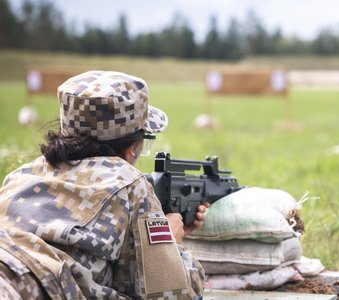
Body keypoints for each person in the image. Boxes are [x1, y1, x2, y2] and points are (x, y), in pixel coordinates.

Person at [0, 70, 208, 299]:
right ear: (133, 148)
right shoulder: (130, 183)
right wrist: (170, 244)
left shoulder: (21, 175)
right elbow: (172, 293)